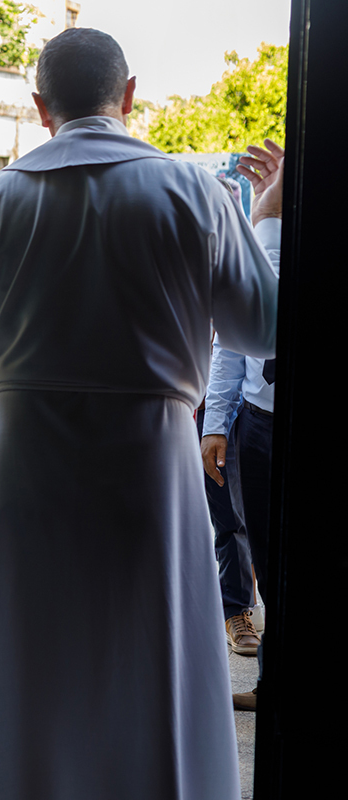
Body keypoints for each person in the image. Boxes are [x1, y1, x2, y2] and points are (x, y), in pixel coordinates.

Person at [0, 28, 279, 800]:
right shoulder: (194, 191)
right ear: (130, 95)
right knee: (155, 643)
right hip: (149, 449)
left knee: (38, 648)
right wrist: (270, 216)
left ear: (41, 107)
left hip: (30, 455)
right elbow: (262, 326)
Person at [202, 140, 286, 713]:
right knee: (263, 552)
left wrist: (268, 220)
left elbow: (269, 306)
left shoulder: (269, 225)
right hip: (257, 422)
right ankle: (271, 684)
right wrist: (215, 420)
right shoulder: (264, 226)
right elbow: (237, 334)